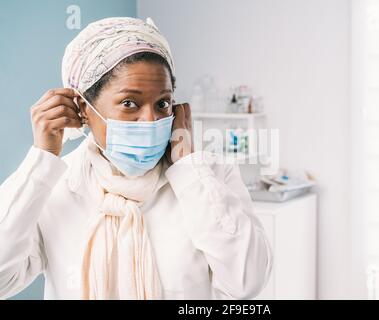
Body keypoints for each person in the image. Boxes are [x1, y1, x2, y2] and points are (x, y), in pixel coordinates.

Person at [0, 17, 272, 300]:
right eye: (129, 103)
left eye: (162, 103)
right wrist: (41, 161)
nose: (150, 120)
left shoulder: (210, 175)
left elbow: (246, 283)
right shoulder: (57, 187)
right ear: (84, 108)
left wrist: (189, 170)